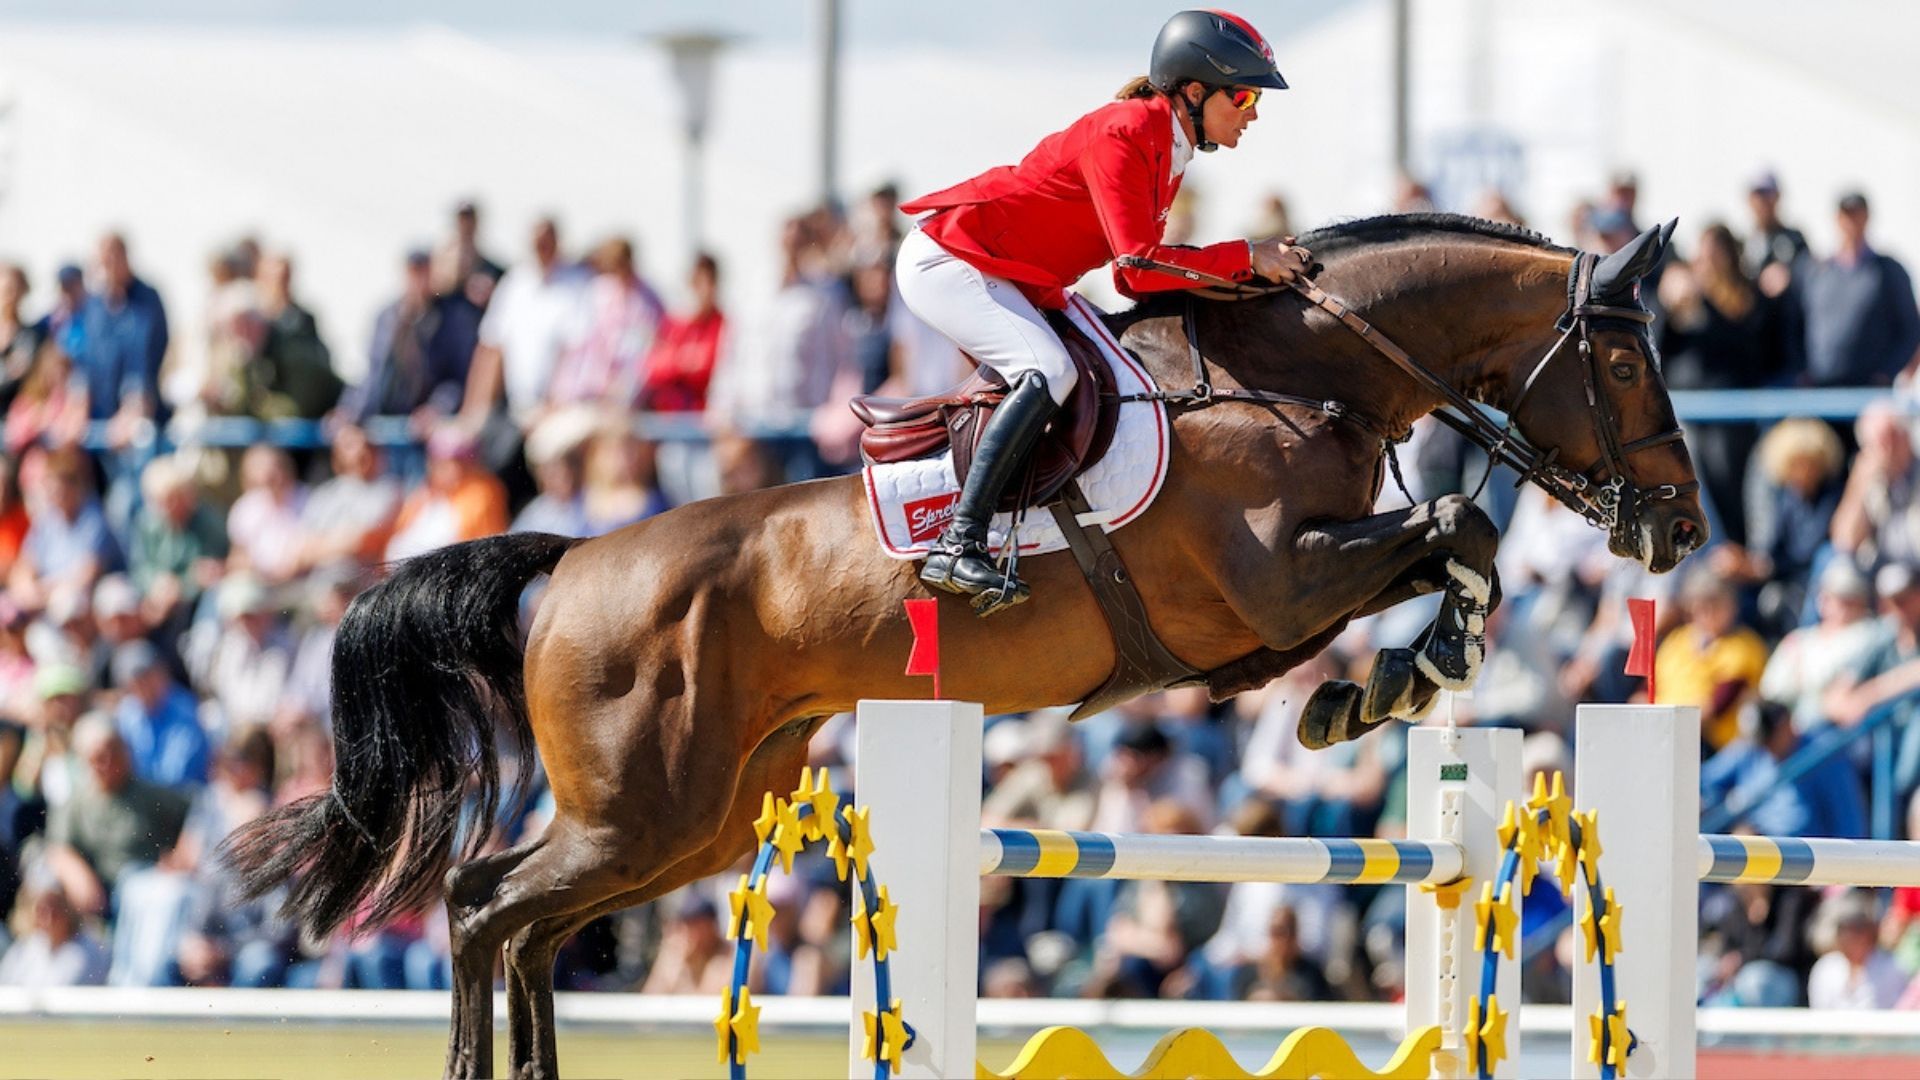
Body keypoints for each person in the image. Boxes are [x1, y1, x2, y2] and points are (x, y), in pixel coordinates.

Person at [894, 10, 1307, 612]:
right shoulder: (1127, 130)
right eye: (1243, 94)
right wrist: (1246, 255)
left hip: (1017, 277)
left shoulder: (1169, 148)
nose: (1253, 111)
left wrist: (1248, 275)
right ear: (1194, 91)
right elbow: (1137, 267)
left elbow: (1135, 279)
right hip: (952, 261)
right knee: (1052, 372)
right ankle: (959, 540)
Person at [1789, 192, 1920, 387]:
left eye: (1857, 214)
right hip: (1818, 391)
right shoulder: (1813, 270)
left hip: (1868, 392)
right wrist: (1800, 371)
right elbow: (1792, 324)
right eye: (1847, 215)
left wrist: (1887, 372)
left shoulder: (1889, 271)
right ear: (1837, 219)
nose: (1852, 222)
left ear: (1867, 217)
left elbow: (1910, 329)